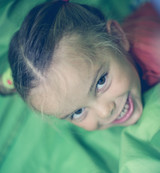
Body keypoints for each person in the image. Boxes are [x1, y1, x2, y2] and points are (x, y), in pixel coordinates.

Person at [8, 0, 160, 131]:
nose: (105, 112)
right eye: (77, 112)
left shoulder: (155, 50)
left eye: (101, 82)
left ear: (117, 38)